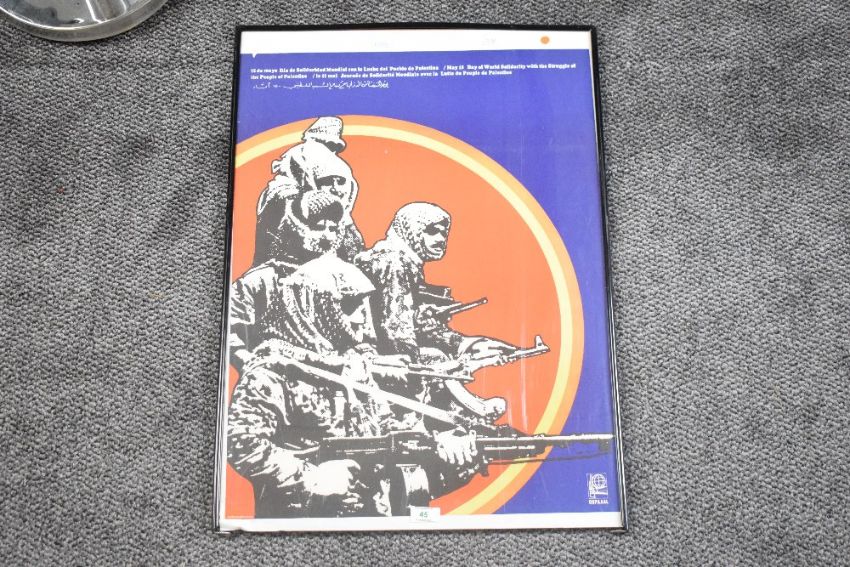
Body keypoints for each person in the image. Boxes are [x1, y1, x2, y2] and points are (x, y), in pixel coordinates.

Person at [227, 256, 477, 518]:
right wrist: (311, 477)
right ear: (313, 306)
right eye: (349, 305)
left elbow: (385, 430)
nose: (362, 318)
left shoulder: (353, 367)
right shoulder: (272, 372)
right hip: (301, 525)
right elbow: (241, 442)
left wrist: (439, 443)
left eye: (363, 304)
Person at [354, 202, 518, 364]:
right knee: (438, 358)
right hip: (370, 357)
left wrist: (469, 345)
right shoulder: (394, 263)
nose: (440, 239)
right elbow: (397, 333)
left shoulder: (404, 262)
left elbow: (417, 326)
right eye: (431, 231)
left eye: (444, 233)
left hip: (378, 354)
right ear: (410, 229)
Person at [254, 116, 363, 267]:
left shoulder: (339, 214)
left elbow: (354, 253)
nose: (336, 189)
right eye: (327, 182)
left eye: (340, 182)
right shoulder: (286, 200)